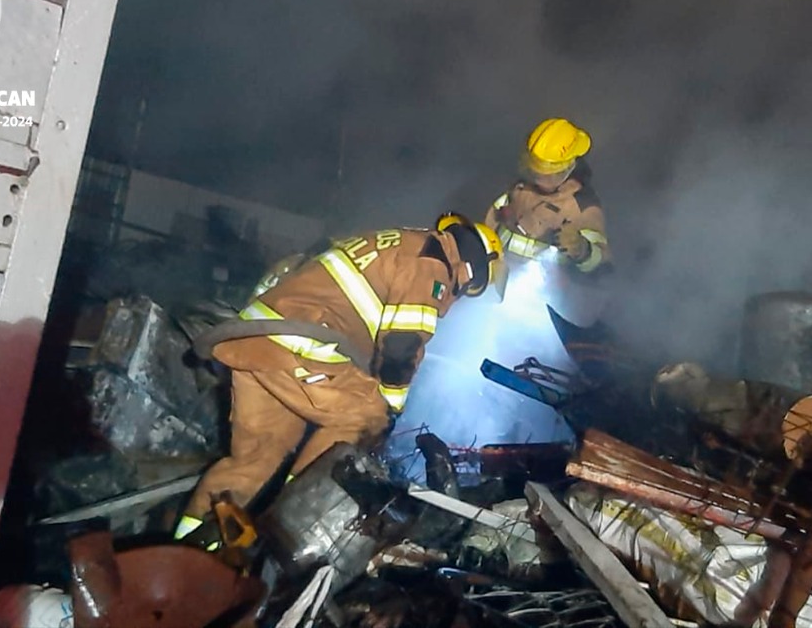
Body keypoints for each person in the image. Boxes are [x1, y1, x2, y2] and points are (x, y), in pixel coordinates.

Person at [175, 212, 505, 541]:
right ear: (470, 271)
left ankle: (189, 550)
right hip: (301, 344)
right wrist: (391, 407)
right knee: (367, 415)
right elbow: (403, 344)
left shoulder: (399, 240)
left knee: (256, 461)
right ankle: (288, 520)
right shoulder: (432, 265)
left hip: (257, 344)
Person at [484, 118, 612, 364]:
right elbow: (496, 215)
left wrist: (581, 249)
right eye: (535, 169)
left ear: (569, 167)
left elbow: (602, 266)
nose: (539, 178)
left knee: (520, 360)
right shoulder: (522, 188)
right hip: (498, 289)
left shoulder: (582, 208)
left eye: (547, 173)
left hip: (537, 304)